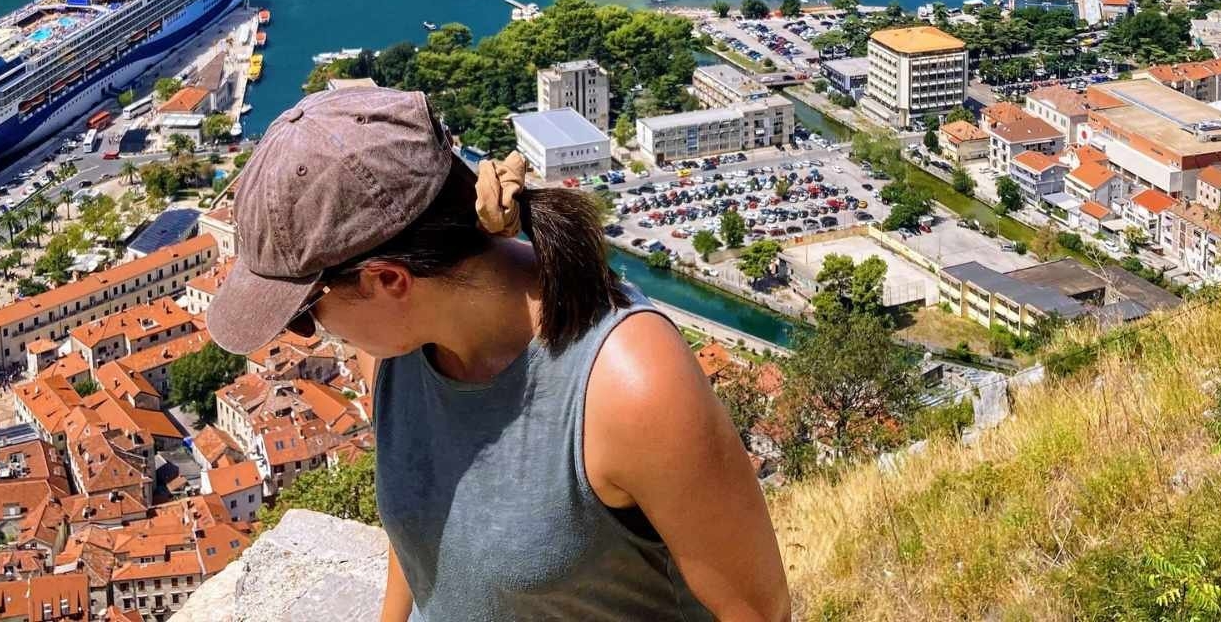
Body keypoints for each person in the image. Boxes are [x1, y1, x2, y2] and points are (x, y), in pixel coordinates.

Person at [207, 85, 789, 621]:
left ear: (388, 281)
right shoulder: (395, 357)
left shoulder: (630, 388)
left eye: (306, 315)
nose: (308, 334)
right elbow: (426, 540)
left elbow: (759, 614)